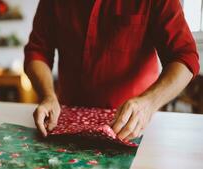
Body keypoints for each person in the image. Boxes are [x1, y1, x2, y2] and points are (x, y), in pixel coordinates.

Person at [24, 0, 200, 142]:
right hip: (64, 120)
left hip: (135, 125)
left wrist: (149, 103)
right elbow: (37, 51)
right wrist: (48, 95)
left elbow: (184, 58)